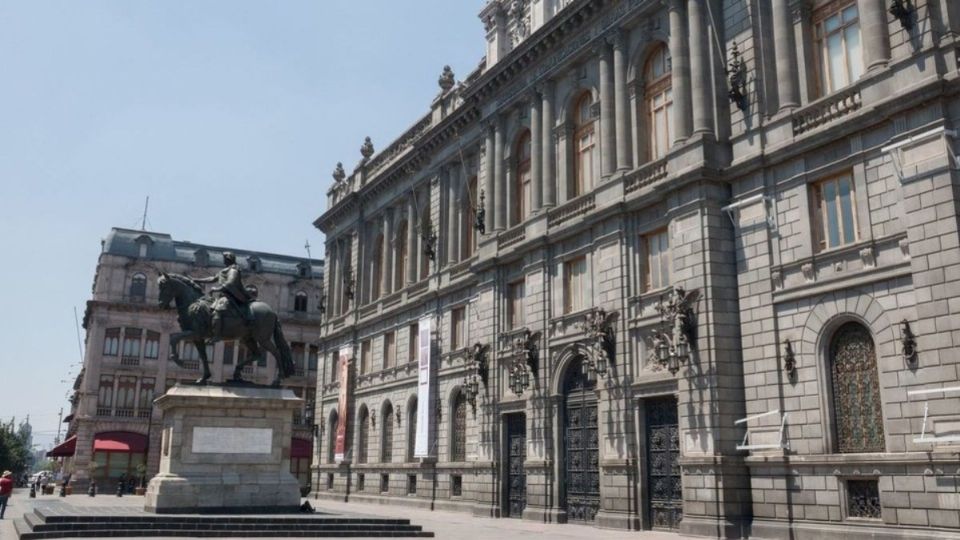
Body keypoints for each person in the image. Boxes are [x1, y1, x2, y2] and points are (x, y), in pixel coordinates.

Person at [196, 252, 254, 331]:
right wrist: (196, 280)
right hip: (224, 295)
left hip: (233, 295)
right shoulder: (224, 271)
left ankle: (217, 334)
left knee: (217, 311)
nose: (223, 260)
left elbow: (230, 283)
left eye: (224, 258)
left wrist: (216, 289)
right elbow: (212, 279)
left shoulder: (233, 269)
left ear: (228, 259)